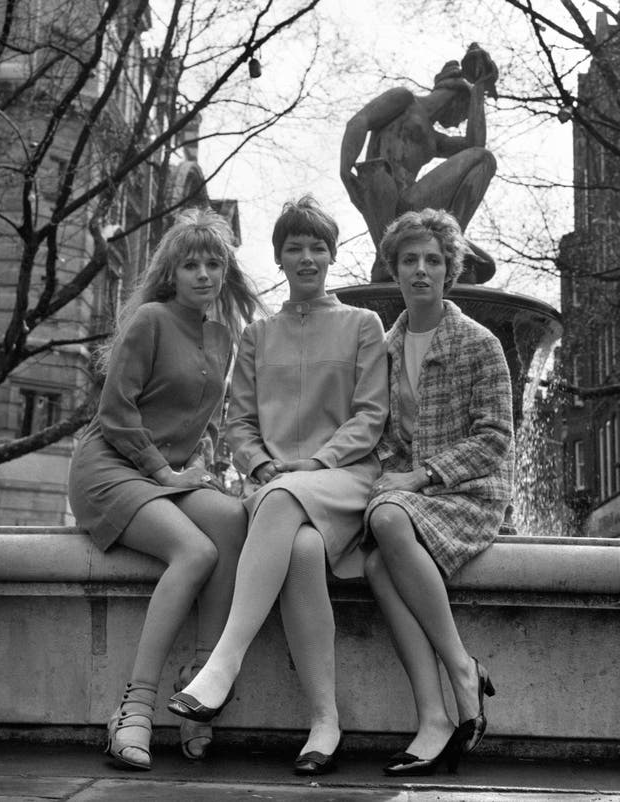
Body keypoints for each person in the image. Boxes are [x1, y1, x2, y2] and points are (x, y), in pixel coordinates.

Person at [168, 195, 388, 775]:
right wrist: (261, 465)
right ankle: (325, 721)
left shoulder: (363, 325)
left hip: (342, 479)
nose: (307, 258)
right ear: (280, 257)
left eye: (318, 247)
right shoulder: (258, 336)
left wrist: (312, 467)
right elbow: (237, 420)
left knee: (285, 502)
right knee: (301, 548)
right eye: (295, 248)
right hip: (274, 490)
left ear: (333, 255)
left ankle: (223, 662)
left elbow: (370, 417)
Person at [68, 209, 261, 770]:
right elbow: (116, 412)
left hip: (164, 475)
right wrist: (165, 474)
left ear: (225, 272)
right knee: (197, 550)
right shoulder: (150, 319)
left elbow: (195, 421)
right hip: (110, 466)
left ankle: (200, 688)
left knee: (233, 521)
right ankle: (136, 707)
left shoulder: (224, 337)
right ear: (171, 274)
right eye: (191, 264)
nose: (203, 274)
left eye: (213, 263)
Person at [364, 208, 513, 776]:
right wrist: (387, 472)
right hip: (411, 492)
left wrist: (421, 476)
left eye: (432, 260)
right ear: (394, 269)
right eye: (409, 260)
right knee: (378, 567)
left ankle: (460, 669)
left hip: (469, 491)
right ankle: (433, 718)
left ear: (450, 269)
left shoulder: (480, 343)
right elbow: (378, 434)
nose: (421, 270)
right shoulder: (383, 347)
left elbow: (496, 437)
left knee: (387, 521)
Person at [340, 43, 498, 281]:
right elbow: (359, 121)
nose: (457, 124)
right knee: (483, 157)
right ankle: (400, 256)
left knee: (487, 266)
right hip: (385, 194)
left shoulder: (435, 140)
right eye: (463, 115)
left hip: (410, 206)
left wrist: (478, 91)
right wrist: (346, 169)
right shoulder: (404, 100)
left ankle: (451, 246)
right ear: (457, 99)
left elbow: (476, 147)